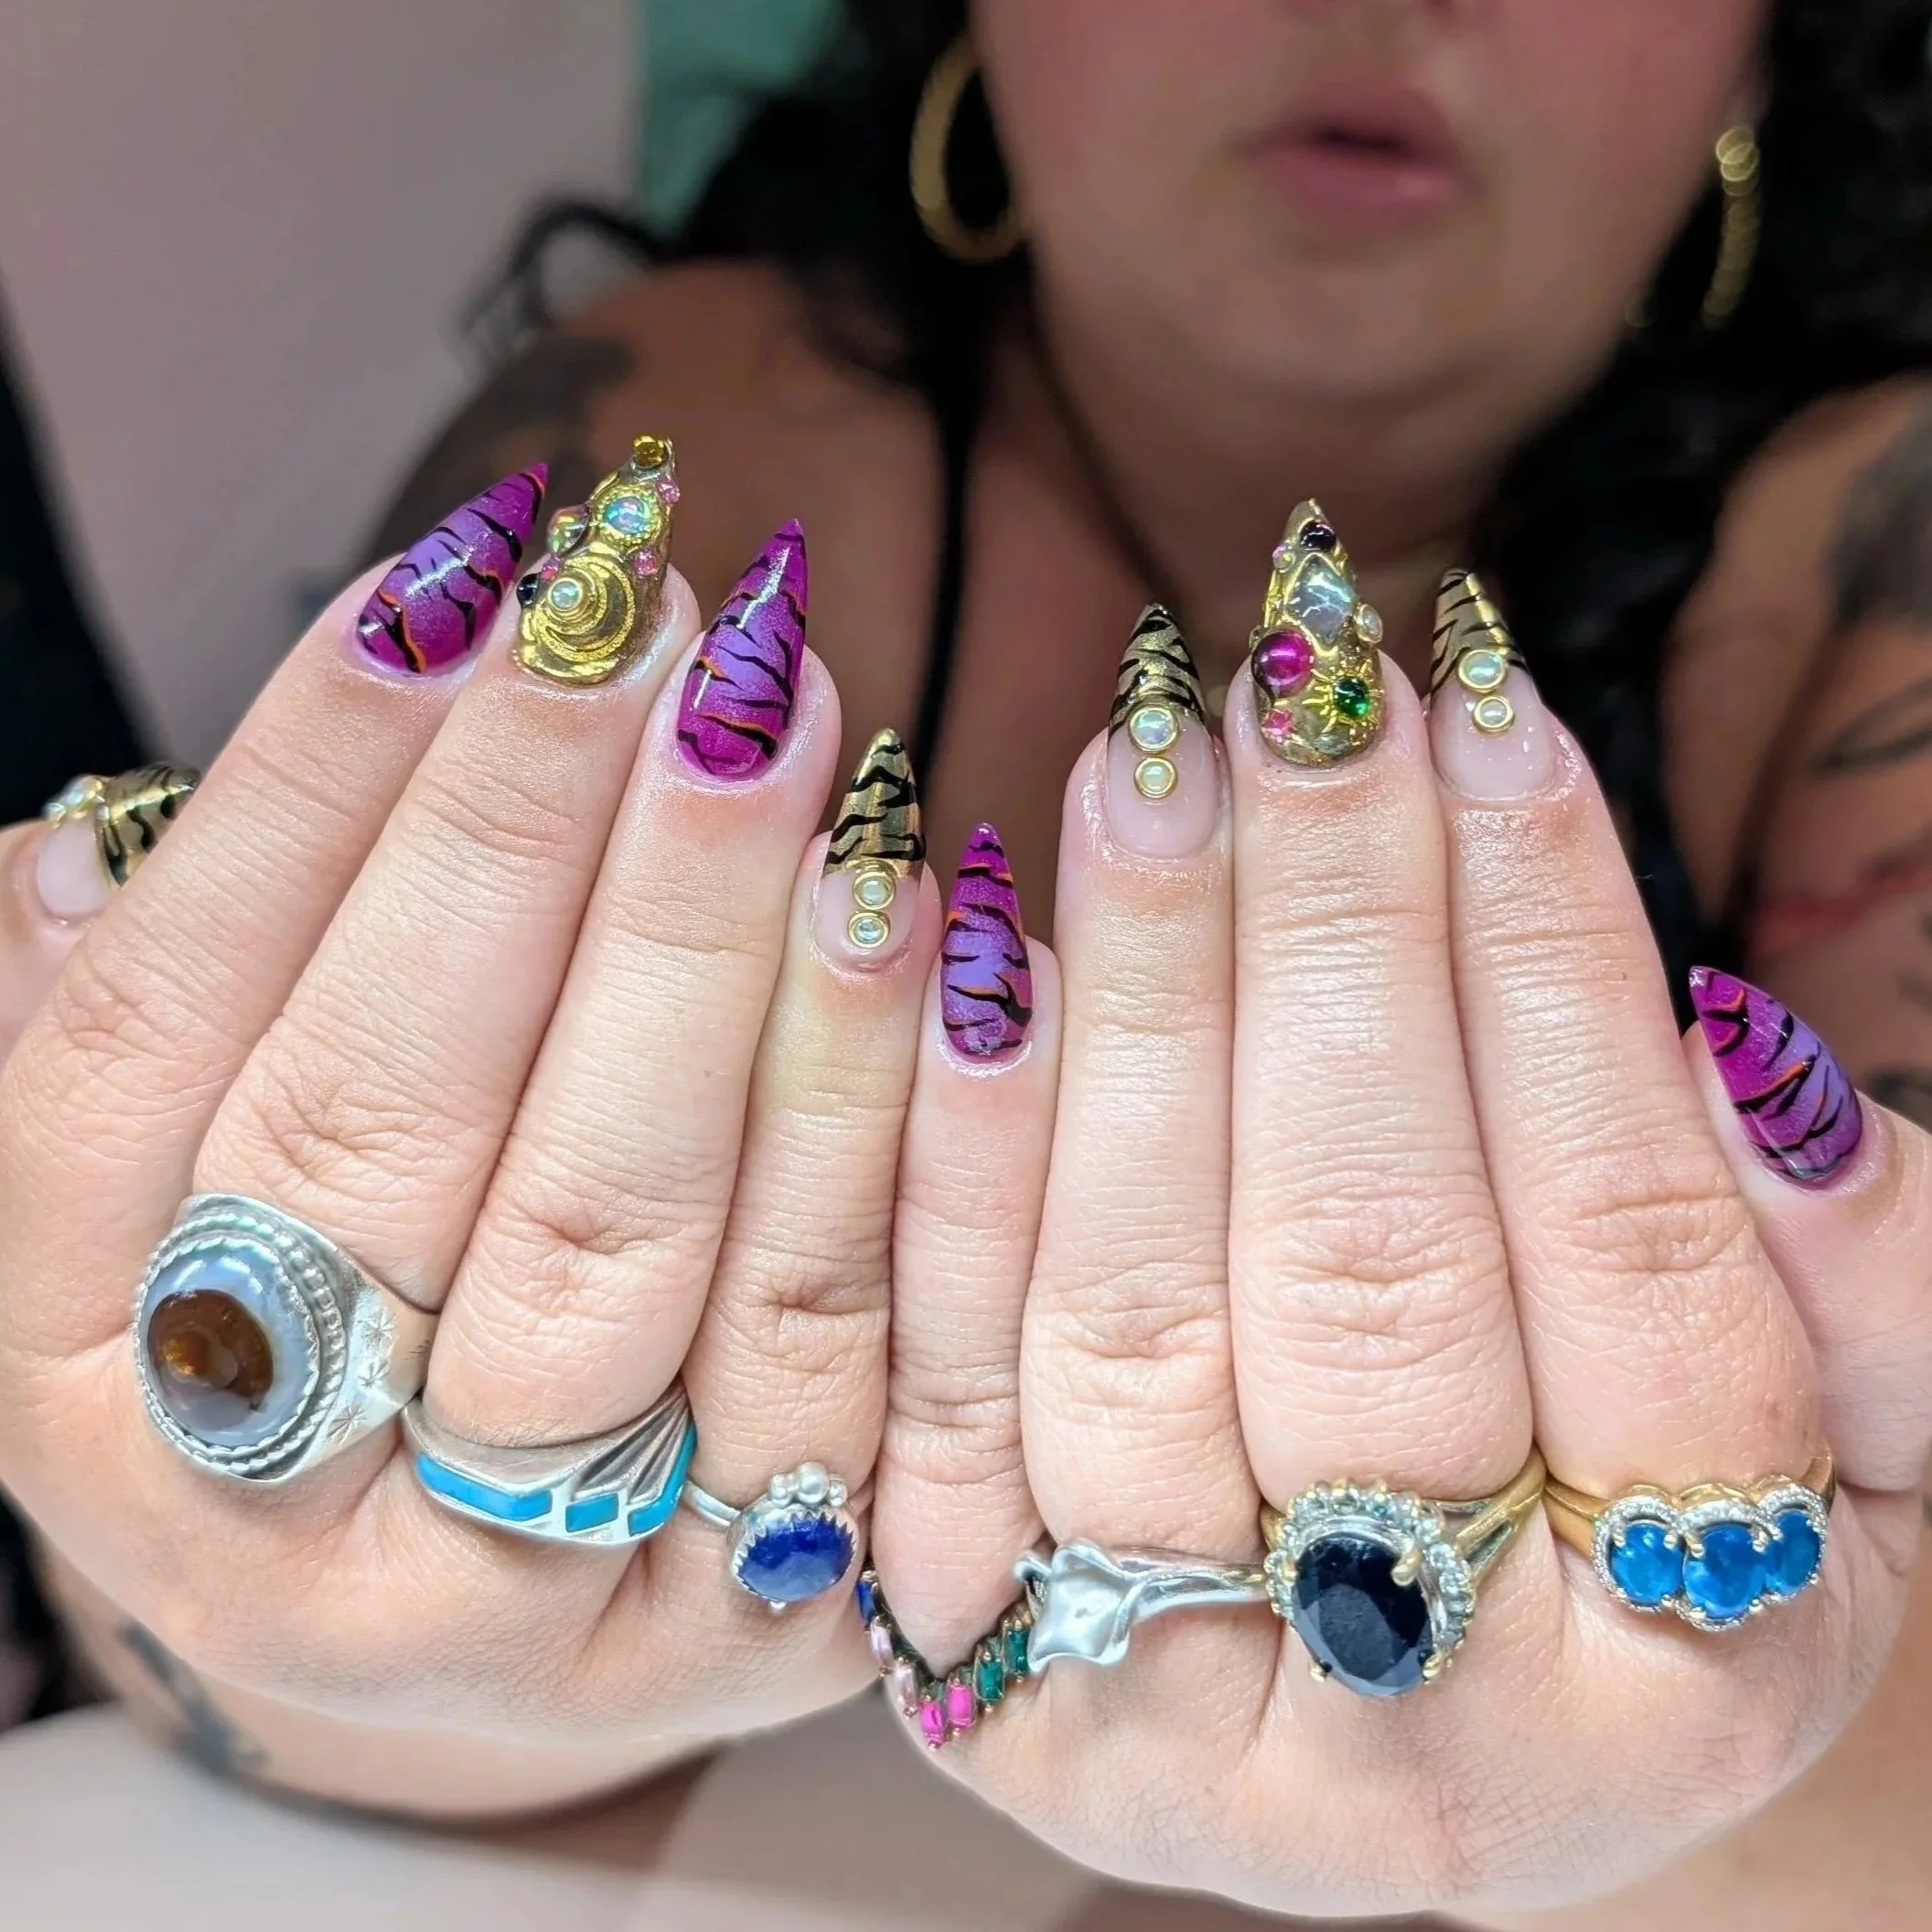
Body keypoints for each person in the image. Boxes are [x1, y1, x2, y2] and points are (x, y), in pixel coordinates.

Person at [2, 0, 1931, 1922]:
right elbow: (257, 1590)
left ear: (1770, 43)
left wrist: (1703, 1725)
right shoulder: (707, 435)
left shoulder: (1883, 541)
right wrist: (328, 1570)